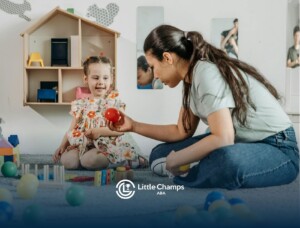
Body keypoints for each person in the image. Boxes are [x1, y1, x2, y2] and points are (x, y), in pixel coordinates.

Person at [108, 25, 299, 189]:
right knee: (159, 154)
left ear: (167, 58)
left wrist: (178, 158)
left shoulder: (205, 72)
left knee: (225, 160)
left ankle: (195, 169)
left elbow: (224, 138)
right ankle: (195, 167)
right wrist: (133, 126)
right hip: (242, 142)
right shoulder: (191, 79)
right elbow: (180, 131)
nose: (155, 75)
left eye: (152, 66)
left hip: (279, 148)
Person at [53, 56, 147, 170]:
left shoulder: (115, 103)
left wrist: (99, 131)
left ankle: (123, 160)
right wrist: (62, 145)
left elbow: (121, 131)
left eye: (105, 78)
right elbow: (71, 130)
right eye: (96, 77)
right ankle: (85, 160)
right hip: (83, 144)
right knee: (69, 162)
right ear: (86, 79)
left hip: (106, 145)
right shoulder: (79, 104)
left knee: (89, 161)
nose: (101, 82)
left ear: (111, 79)